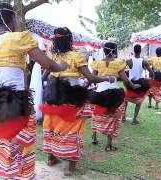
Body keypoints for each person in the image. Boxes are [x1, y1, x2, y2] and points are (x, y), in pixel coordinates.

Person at [0, 3, 68, 180]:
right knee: (20, 144)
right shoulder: (21, 38)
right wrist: (61, 65)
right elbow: (47, 64)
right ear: (12, 19)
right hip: (16, 105)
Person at [41, 27, 114, 176]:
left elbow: (43, 77)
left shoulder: (53, 56)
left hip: (54, 98)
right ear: (70, 39)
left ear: (55, 40)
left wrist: (57, 79)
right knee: (73, 130)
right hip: (71, 100)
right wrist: (108, 78)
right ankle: (71, 168)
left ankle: (51, 159)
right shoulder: (77, 56)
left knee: (52, 128)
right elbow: (91, 78)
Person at [90, 42, 140, 151]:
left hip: (99, 92)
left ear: (104, 51)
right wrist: (133, 85)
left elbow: (92, 78)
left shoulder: (97, 63)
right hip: (114, 93)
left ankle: (94, 136)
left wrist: (87, 86)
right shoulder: (118, 63)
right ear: (114, 51)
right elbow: (126, 80)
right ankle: (108, 145)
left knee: (96, 113)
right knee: (113, 117)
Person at [123, 44, 154, 125]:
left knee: (126, 99)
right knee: (138, 102)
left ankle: (123, 116)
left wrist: (126, 77)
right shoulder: (144, 62)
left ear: (134, 51)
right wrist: (150, 80)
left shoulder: (128, 61)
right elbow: (151, 73)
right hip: (140, 84)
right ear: (140, 51)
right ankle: (134, 119)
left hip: (129, 83)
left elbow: (121, 70)